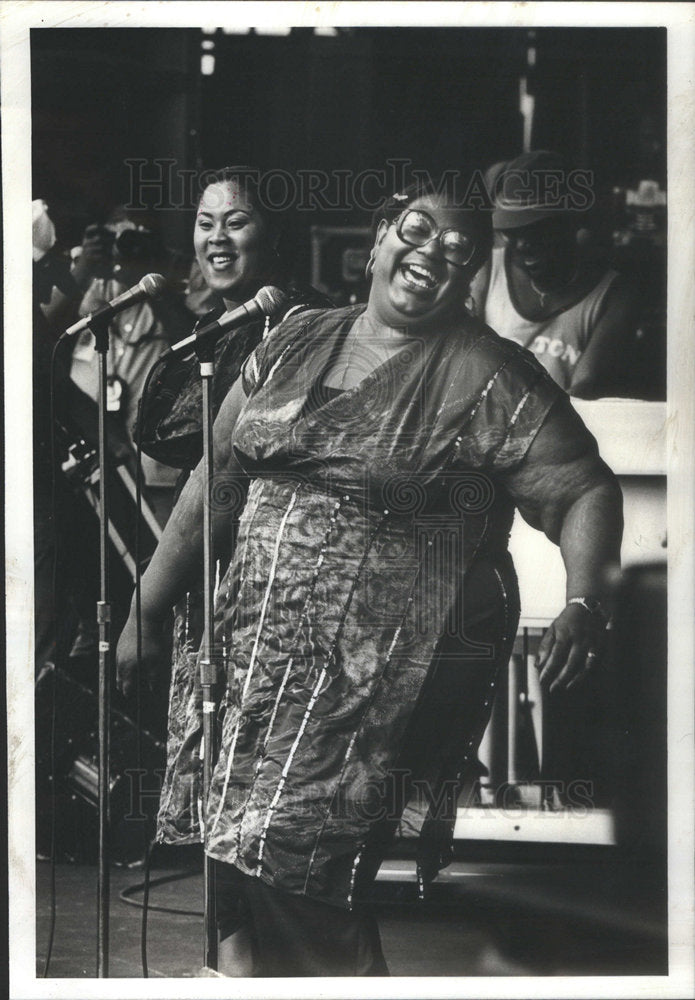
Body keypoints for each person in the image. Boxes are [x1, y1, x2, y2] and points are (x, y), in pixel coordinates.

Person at [116, 176, 623, 977]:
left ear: (470, 278)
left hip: (369, 685)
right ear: (379, 236)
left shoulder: (489, 374)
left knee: (305, 863)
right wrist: (147, 609)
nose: (431, 256)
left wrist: (586, 599)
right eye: (416, 232)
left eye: (457, 251)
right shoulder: (291, 336)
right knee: (235, 860)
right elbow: (215, 481)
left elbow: (581, 488)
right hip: (248, 665)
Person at [133, 166, 332, 850]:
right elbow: (159, 426)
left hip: (267, 593)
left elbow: (219, 476)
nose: (216, 239)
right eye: (204, 222)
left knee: (260, 805)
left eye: (236, 222)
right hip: (211, 583)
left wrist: (146, 605)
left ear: (273, 235)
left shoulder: (298, 326)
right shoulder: (215, 328)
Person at [471, 150, 639, 398]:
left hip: (559, 428)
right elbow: (461, 361)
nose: (521, 245)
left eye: (537, 230)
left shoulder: (613, 294)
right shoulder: (488, 268)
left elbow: (585, 387)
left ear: (571, 223)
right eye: (513, 232)